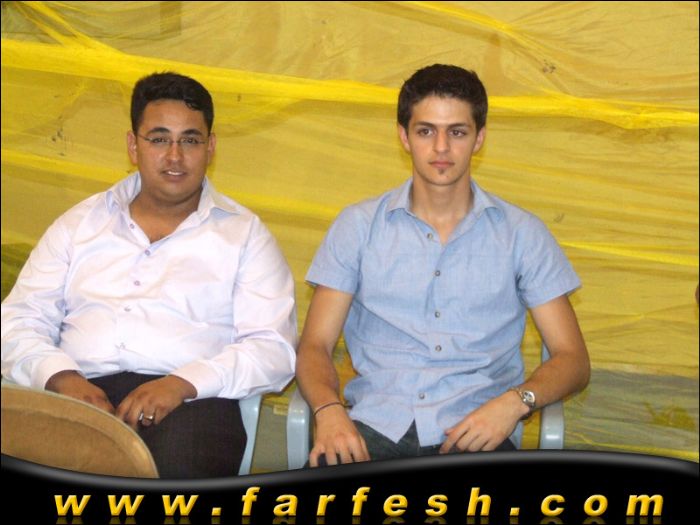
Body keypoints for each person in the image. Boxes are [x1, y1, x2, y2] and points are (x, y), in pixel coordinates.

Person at [1, 72, 297, 478]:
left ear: (210, 148)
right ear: (132, 145)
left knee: (178, 468)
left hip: (191, 404)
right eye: (159, 139)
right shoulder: (79, 224)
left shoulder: (245, 235)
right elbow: (17, 321)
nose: (174, 156)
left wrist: (181, 384)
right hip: (77, 391)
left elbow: (272, 349)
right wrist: (62, 377)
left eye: (190, 140)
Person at [296, 64, 590, 466]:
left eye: (457, 132)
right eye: (425, 131)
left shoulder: (522, 234)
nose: (441, 148)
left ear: (479, 138)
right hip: (373, 429)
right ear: (404, 137)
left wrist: (515, 402)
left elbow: (573, 359)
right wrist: (329, 411)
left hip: (477, 433)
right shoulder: (358, 226)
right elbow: (315, 345)